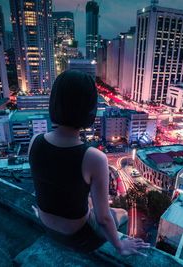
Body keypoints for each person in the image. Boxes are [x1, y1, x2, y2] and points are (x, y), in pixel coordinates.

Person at [29, 70, 149, 255]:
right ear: (89, 110)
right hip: (76, 236)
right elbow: (103, 218)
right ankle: (116, 249)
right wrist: (120, 246)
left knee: (89, 202)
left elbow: (49, 185)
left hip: (45, 224)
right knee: (121, 214)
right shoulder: (93, 157)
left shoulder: (34, 141)